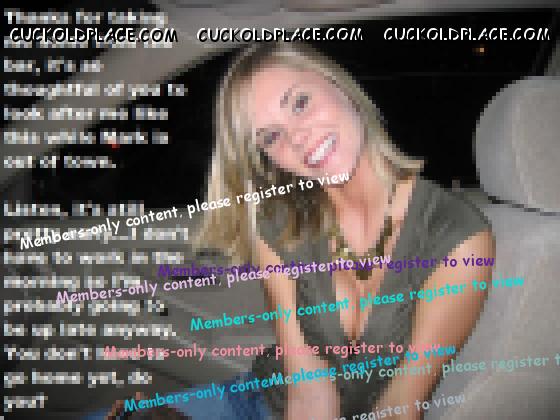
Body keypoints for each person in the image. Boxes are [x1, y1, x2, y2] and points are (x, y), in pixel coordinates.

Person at [104, 42, 494, 420]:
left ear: (340, 85)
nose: (297, 137)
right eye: (271, 136)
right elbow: (308, 388)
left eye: (300, 103)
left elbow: (400, 407)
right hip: (259, 400)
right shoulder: (280, 225)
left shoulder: (457, 239)